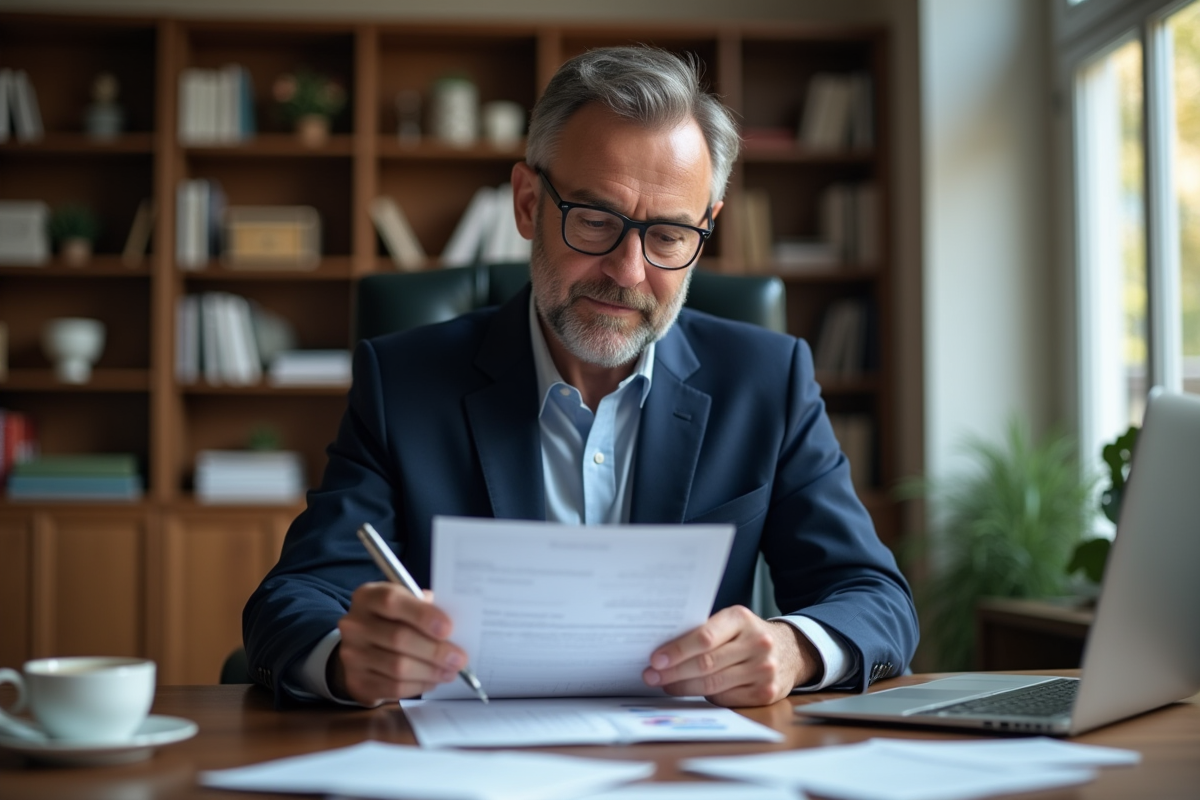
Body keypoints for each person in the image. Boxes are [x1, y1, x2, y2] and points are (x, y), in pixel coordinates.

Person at [244, 46, 918, 709]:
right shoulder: (404, 383)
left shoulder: (768, 382)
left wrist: (793, 649)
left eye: (668, 236)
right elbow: (292, 600)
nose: (627, 271)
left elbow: (876, 598)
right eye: (595, 220)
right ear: (529, 203)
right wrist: (345, 659)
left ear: (705, 229)